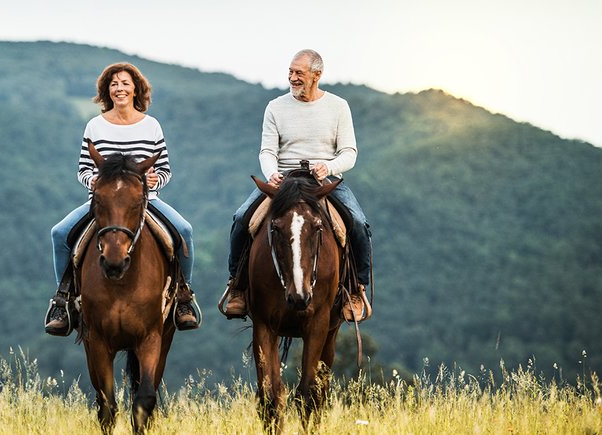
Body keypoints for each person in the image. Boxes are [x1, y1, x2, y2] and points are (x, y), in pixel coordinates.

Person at [45, 62, 199, 335]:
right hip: (104, 202)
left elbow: (165, 169)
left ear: (136, 89)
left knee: (184, 230)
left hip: (145, 200)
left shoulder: (151, 126)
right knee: (60, 233)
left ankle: (183, 296)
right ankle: (63, 299)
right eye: (114, 84)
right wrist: (92, 181)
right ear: (107, 91)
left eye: (125, 83)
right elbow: (83, 169)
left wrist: (154, 181)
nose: (119, 88)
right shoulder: (95, 126)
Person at [223, 49, 372, 321]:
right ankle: (237, 287)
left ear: (317, 75)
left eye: (298, 73)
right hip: (284, 180)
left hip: (322, 180)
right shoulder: (275, 107)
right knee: (242, 218)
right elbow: (267, 151)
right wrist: (271, 173)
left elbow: (349, 152)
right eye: (290, 72)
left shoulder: (338, 106)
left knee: (358, 223)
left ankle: (355, 289)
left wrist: (329, 167)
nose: (292, 77)